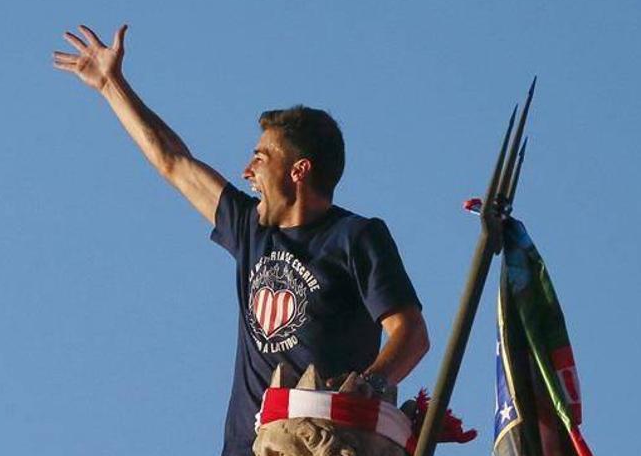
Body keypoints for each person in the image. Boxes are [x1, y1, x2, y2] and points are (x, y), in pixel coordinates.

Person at [53, 24, 430, 456]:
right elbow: (174, 162)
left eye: (260, 158)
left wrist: (371, 384)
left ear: (299, 170)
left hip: (320, 443)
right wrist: (111, 85)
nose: (247, 172)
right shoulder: (251, 228)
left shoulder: (355, 237)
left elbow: (410, 332)